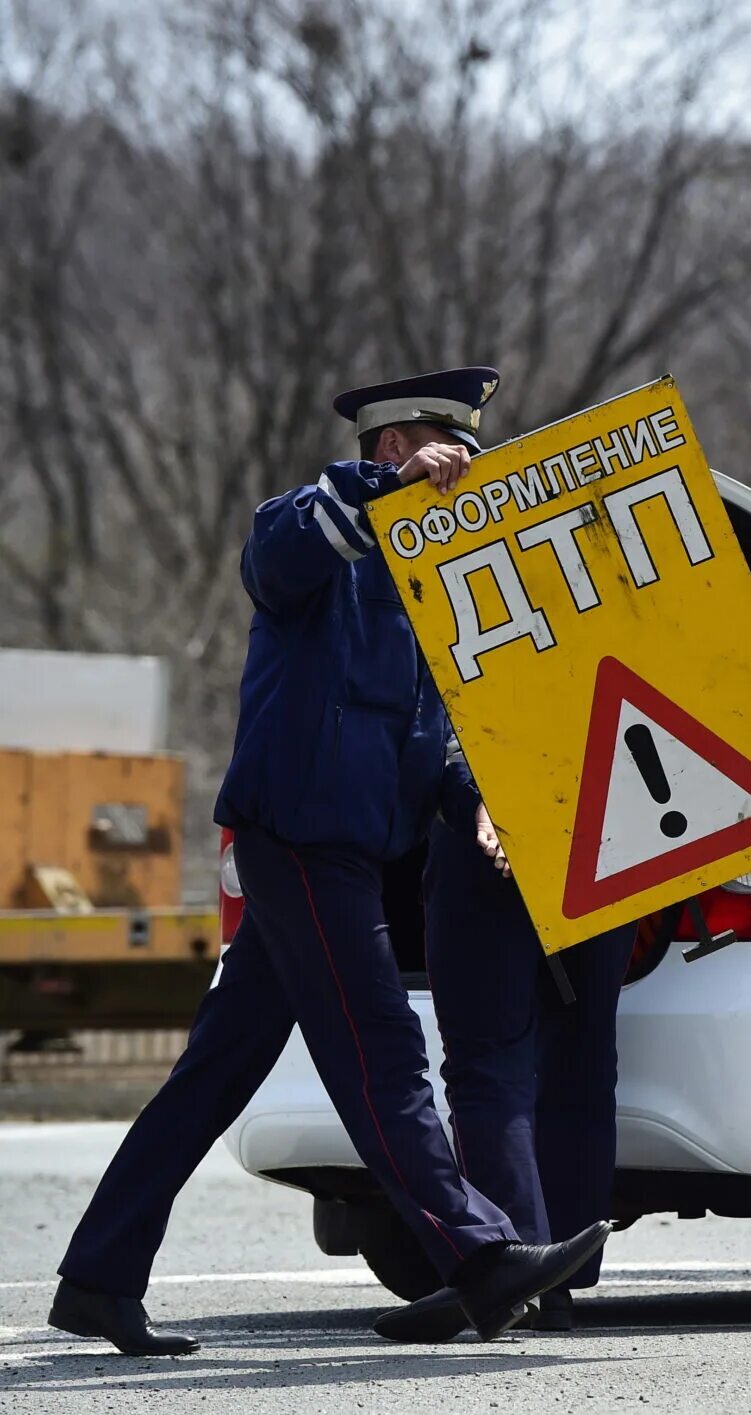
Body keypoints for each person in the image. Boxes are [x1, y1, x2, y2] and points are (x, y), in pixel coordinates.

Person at [48, 368, 610, 1357]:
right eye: (449, 455)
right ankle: (480, 1260)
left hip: (338, 846)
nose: (462, 478)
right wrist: (377, 493)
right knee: (383, 1053)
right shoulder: (309, 529)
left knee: (214, 1074)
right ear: (398, 450)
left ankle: (98, 1275)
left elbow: (428, 737)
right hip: (297, 838)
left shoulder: (425, 577)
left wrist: (475, 803)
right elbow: (277, 557)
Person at [370, 757, 637, 1342]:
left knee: (489, 1064)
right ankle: (561, 1282)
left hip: (490, 830)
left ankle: (524, 1274)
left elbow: (447, 723)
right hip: (609, 821)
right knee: (583, 1059)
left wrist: (475, 795)